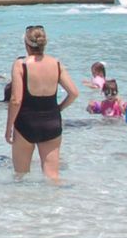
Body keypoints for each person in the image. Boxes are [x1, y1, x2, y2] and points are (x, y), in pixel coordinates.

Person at [6, 25, 77, 182]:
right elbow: (74, 93)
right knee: (52, 177)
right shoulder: (56, 64)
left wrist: (9, 126)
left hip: (26, 123)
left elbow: (16, 100)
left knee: (20, 176)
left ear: (26, 44)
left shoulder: (21, 65)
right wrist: (59, 108)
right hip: (52, 122)